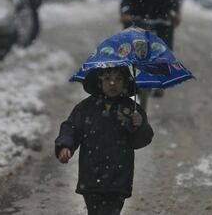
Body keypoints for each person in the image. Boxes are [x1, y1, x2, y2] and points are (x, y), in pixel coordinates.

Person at [55, 67, 154, 215]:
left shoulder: (131, 110)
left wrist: (140, 126)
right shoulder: (86, 108)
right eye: (107, 79)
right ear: (99, 82)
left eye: (118, 79)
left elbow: (139, 142)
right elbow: (71, 128)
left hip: (119, 178)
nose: (113, 83)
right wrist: (65, 145)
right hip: (91, 176)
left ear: (126, 84)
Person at [120, 0, 180, 98]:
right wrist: (126, 14)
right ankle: (131, 78)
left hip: (160, 23)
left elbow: (173, 4)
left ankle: (161, 80)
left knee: (162, 51)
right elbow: (125, 3)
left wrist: (174, 14)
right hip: (138, 22)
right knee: (131, 51)